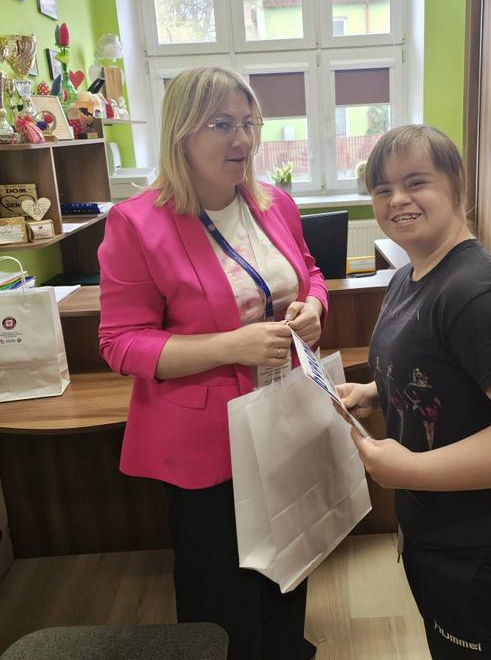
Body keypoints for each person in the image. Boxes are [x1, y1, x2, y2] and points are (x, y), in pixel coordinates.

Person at [98, 67, 328, 660]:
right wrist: (231, 345)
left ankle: (284, 649)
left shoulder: (273, 203)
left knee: (288, 553)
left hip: (283, 409)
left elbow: (310, 272)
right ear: (182, 133)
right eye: (222, 124)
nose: (243, 140)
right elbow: (121, 342)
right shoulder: (136, 223)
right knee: (219, 579)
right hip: (206, 435)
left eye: (249, 123)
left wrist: (312, 308)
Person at [337, 125, 491, 659]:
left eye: (416, 182)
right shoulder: (409, 277)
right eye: (382, 189)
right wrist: (376, 391)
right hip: (436, 536)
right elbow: (440, 369)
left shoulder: (477, 294)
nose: (397, 200)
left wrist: (409, 470)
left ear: (457, 187)